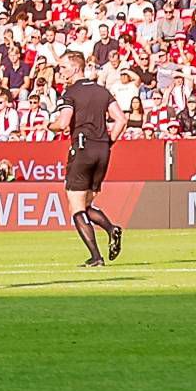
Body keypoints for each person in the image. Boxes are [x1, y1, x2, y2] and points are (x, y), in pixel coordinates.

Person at [54, 52, 124, 268]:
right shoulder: (102, 91)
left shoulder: (70, 92)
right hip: (103, 150)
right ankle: (112, 229)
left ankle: (96, 256)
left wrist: (49, 125)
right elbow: (121, 120)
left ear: (76, 68)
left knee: (76, 207)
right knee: (86, 203)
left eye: (64, 67)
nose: (61, 72)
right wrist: (107, 142)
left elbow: (63, 123)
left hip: (82, 148)